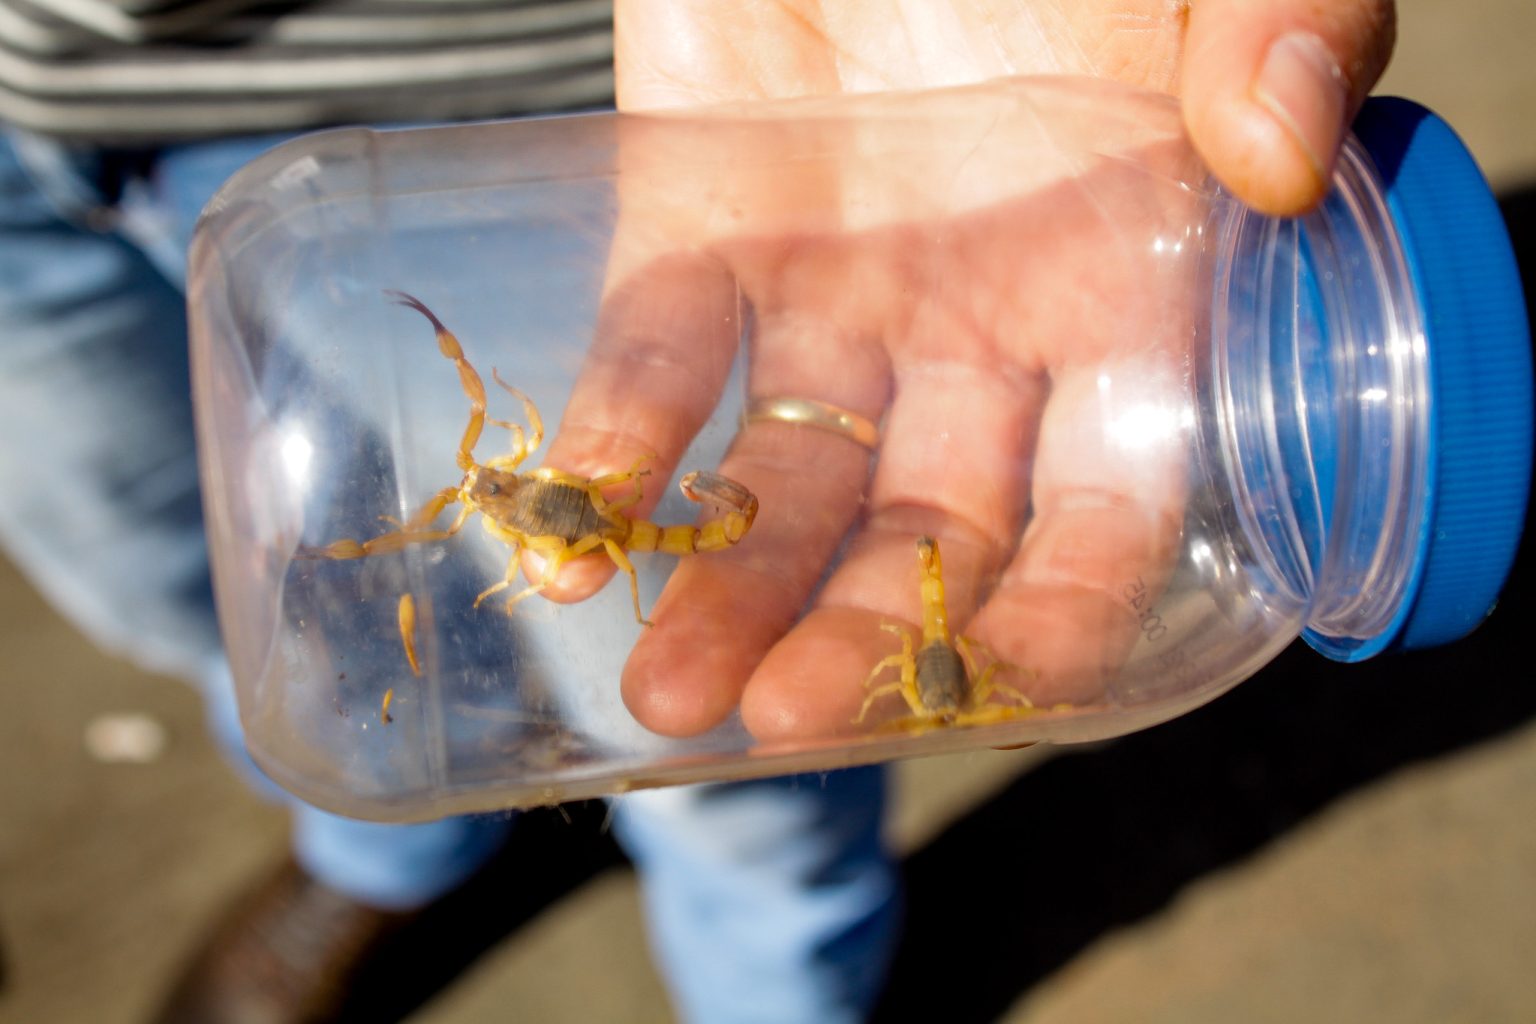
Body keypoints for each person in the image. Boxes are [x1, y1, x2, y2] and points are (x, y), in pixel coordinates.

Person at [0, 2, 1396, 1022]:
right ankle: (383, 856)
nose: (483, 478)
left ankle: (785, 985)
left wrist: (531, 520)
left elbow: (531, 501)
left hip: (537, 98)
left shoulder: (512, 464)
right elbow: (530, 519)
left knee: (714, 718)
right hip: (40, 110)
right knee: (204, 590)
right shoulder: (522, 479)